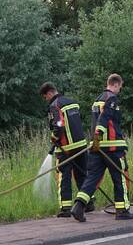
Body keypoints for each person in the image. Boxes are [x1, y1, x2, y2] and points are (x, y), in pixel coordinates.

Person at [72, 73, 133, 222]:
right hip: (112, 148)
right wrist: (99, 134)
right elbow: (104, 118)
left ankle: (79, 206)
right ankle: (122, 210)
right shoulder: (111, 98)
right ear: (116, 84)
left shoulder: (97, 100)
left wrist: (95, 141)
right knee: (120, 177)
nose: (120, 90)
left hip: (97, 149)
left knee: (92, 178)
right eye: (120, 87)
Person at [40, 82, 94, 216]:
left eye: (45, 96)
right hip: (81, 145)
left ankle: (66, 208)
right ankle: (88, 203)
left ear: (50, 93)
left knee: (64, 177)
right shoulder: (72, 102)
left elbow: (59, 125)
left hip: (66, 148)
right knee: (82, 174)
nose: (45, 99)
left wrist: (54, 137)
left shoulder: (55, 105)